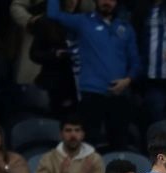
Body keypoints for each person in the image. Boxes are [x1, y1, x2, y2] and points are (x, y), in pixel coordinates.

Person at [47, 0, 141, 150]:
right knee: (88, 146)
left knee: (119, 145)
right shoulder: (83, 21)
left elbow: (135, 62)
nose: (106, 2)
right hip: (92, 94)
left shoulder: (126, 28)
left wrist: (128, 80)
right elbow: (53, 14)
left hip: (119, 95)